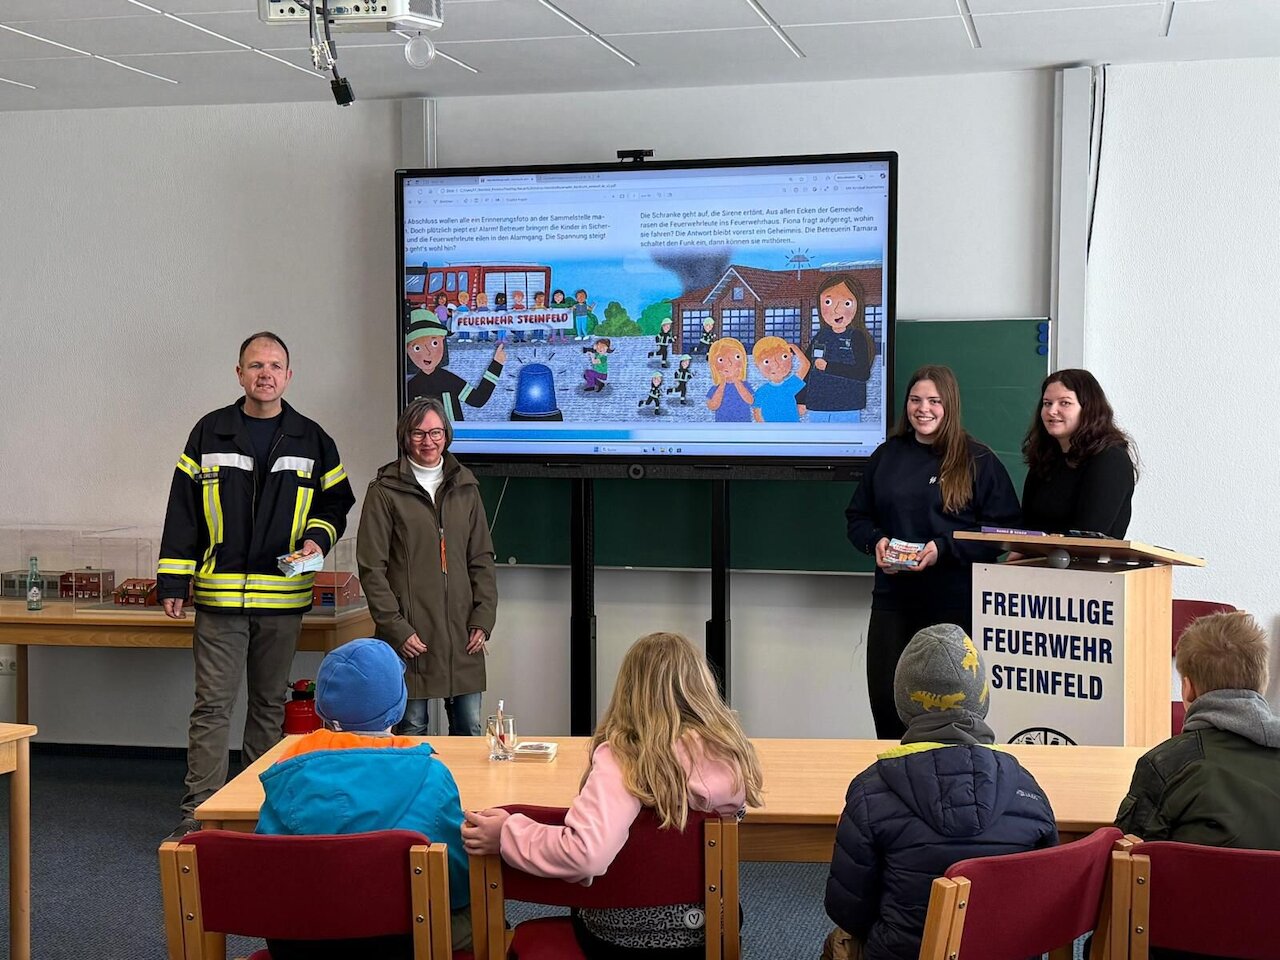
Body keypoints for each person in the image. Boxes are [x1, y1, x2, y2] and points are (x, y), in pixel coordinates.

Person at [157, 331, 356, 842]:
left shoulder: (312, 439)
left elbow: (337, 503)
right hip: (219, 600)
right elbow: (182, 513)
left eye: (274, 365)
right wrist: (173, 580)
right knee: (211, 708)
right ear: (239, 373)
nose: (265, 373)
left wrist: (317, 540)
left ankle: (259, 807)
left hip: (282, 604)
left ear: (288, 376)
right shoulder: (209, 432)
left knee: (269, 709)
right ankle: (199, 813)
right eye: (255, 365)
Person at [461, 632, 764, 959]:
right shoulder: (730, 757)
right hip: (708, 931)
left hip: (619, 937)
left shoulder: (623, 759)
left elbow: (587, 854)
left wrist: (508, 833)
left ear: (628, 691)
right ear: (701, 687)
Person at [823, 624, 1057, 960]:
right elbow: (1045, 897)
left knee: (840, 941)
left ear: (903, 702)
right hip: (1008, 953)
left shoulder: (870, 791)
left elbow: (848, 909)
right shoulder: (1027, 789)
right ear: (982, 699)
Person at [257, 638, 472, 958]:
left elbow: (266, 869)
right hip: (407, 939)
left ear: (320, 709)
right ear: (398, 708)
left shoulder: (286, 773)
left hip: (306, 942)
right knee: (482, 911)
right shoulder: (432, 774)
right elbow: (457, 879)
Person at [846, 365, 1021, 739]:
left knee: (955, 717)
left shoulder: (979, 461)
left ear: (949, 405)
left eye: (934, 401)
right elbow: (857, 517)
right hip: (893, 603)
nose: (923, 409)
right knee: (888, 706)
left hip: (955, 607)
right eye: (915, 400)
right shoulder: (886, 456)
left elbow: (1002, 533)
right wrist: (874, 541)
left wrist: (944, 549)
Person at [357, 397, 497, 736]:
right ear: (405, 437)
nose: (428, 441)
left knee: (471, 729)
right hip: (411, 638)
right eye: (418, 433)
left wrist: (483, 619)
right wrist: (398, 630)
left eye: (435, 432)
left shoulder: (466, 488)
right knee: (412, 729)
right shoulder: (384, 491)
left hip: (464, 638)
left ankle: (466, 793)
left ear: (446, 436)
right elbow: (371, 569)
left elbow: (482, 558)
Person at [1116, 611, 1280, 848]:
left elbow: (1129, 854)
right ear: (1262, 684)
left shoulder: (1166, 765)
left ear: (1187, 688)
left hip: (1201, 885)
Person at [1021, 368, 1138, 537]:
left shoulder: (1110, 459)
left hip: (1086, 562)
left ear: (1089, 409)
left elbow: (1089, 534)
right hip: (1041, 560)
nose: (1052, 411)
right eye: (1047, 403)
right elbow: (1028, 526)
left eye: (1065, 403)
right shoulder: (1045, 459)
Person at [802, 274, 875, 423]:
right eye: (828, 302)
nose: (836, 310)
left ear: (857, 306)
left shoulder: (857, 337)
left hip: (847, 407)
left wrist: (829, 367)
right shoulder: (821, 336)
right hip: (818, 406)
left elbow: (862, 373)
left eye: (846, 303)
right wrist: (801, 399)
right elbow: (807, 369)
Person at [403, 316, 505, 419]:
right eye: (417, 348)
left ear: (442, 341)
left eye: (434, 343)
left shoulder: (449, 380)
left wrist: (496, 365)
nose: (428, 352)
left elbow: (478, 399)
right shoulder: (411, 387)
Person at [750, 336, 810, 422]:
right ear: (757, 366)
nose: (776, 365)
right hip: (771, 431)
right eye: (766, 362)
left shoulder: (790, 385)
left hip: (791, 429)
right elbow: (757, 413)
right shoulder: (762, 391)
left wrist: (794, 348)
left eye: (783, 357)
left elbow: (805, 365)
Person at [705, 336, 754, 422]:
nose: (729, 363)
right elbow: (712, 406)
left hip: (743, 424)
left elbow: (750, 401)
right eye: (721, 360)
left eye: (736, 357)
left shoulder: (744, 385)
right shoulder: (716, 388)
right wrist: (722, 383)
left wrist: (736, 380)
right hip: (723, 425)